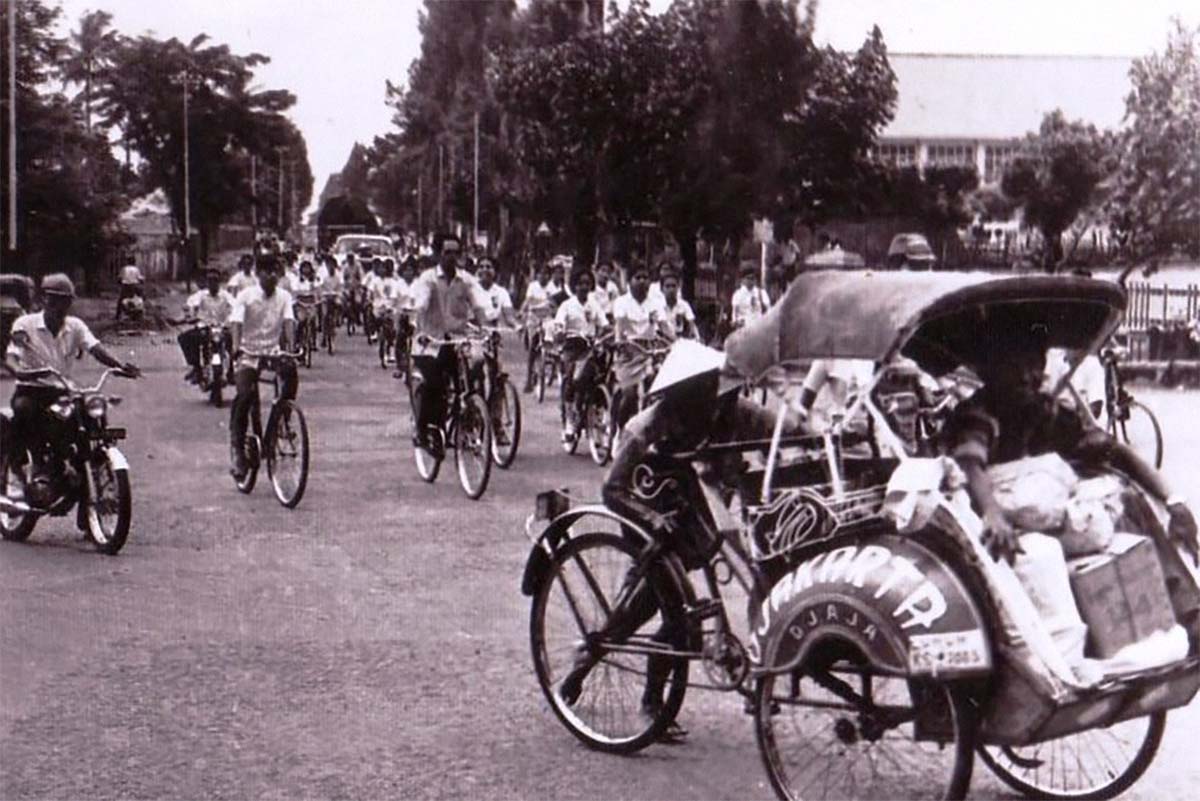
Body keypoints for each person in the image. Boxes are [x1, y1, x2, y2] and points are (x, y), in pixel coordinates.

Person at [558, 340, 786, 741]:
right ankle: (639, 695)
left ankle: (750, 669)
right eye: (707, 392)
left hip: (687, 499)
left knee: (749, 574)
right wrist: (651, 519)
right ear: (685, 392)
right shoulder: (646, 426)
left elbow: (780, 428)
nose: (718, 401)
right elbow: (612, 489)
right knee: (661, 612)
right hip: (644, 504)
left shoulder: (728, 409)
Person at [942, 327, 1198, 565]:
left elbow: (1113, 451)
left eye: (1034, 364)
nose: (1026, 375)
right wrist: (992, 513)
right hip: (987, 522)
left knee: (1134, 503)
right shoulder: (978, 413)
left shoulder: (1046, 412)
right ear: (991, 370)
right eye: (1014, 365)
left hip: (1045, 516)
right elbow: (970, 463)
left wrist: (1173, 500)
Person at [4, 274, 140, 486]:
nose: (60, 306)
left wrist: (119, 365)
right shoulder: (25, 324)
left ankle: (83, 472)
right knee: (25, 410)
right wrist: (18, 372)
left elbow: (95, 348)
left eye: (65, 300)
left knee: (86, 416)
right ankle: (38, 465)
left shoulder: (75, 326)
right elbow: (12, 355)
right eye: (55, 299)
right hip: (31, 389)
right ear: (44, 299)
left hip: (62, 390)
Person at [408, 236, 490, 454]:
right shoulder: (428, 279)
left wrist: (484, 327)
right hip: (430, 342)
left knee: (474, 370)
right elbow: (422, 304)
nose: (453, 257)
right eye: (448, 252)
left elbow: (478, 305)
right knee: (434, 384)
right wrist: (417, 323)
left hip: (457, 340)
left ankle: (467, 417)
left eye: (456, 252)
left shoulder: (466, 280)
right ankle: (424, 430)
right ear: (438, 254)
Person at [228, 256, 297, 480]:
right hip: (248, 353)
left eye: (276, 271)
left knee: (291, 376)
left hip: (272, 352)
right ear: (259, 274)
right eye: (267, 271)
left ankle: (279, 423)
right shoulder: (245, 296)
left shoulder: (284, 297)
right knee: (245, 394)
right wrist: (237, 347)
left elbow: (288, 322)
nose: (272, 276)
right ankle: (238, 450)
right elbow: (236, 323)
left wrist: (292, 349)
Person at [611, 262, 668, 429]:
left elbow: (664, 326)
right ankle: (619, 432)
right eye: (638, 278)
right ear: (629, 281)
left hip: (652, 351)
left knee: (661, 390)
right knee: (629, 395)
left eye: (646, 277)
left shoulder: (656, 302)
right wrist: (621, 341)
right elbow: (620, 325)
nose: (642, 281)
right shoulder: (622, 302)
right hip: (629, 352)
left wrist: (676, 340)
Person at [554, 269, 608, 444]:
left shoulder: (594, 305)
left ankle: (597, 416)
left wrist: (607, 332)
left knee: (600, 378)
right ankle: (570, 419)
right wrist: (561, 332)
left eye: (587, 283)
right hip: (572, 347)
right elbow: (559, 324)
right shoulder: (567, 306)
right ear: (574, 286)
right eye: (580, 283)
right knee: (572, 380)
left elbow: (604, 323)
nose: (584, 287)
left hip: (590, 348)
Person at [178, 269, 235, 383]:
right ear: (207, 282)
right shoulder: (200, 295)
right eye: (210, 280)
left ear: (219, 282)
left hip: (222, 328)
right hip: (205, 328)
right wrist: (189, 315)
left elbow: (235, 306)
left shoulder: (226, 296)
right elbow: (190, 305)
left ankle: (231, 371)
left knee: (234, 341)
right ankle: (196, 367)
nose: (213, 283)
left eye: (215, 280)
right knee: (184, 338)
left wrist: (234, 318)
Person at [520, 263, 556, 393]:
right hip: (533, 318)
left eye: (546, 274)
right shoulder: (533, 286)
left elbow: (554, 303)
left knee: (551, 342)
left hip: (547, 318)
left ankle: (552, 368)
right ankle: (529, 378)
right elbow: (528, 301)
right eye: (541, 273)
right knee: (532, 347)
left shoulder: (552, 288)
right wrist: (522, 310)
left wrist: (552, 306)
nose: (543, 276)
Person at [477, 259, 518, 329]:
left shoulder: (502, 292)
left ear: (495, 271)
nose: (484, 270)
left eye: (488, 267)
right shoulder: (469, 290)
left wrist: (517, 325)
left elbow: (509, 316)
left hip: (492, 331)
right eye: (481, 267)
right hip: (472, 331)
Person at [659, 269, 697, 340]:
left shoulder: (684, 305)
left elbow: (691, 324)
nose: (671, 290)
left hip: (681, 341)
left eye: (674, 286)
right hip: (663, 341)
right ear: (662, 289)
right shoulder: (658, 306)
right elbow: (662, 327)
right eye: (667, 286)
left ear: (678, 287)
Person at [730, 263, 770, 329]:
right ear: (743, 280)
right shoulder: (737, 295)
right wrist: (736, 322)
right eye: (748, 278)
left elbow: (769, 311)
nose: (751, 281)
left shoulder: (761, 293)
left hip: (758, 328)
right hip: (743, 329)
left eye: (753, 278)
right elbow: (734, 314)